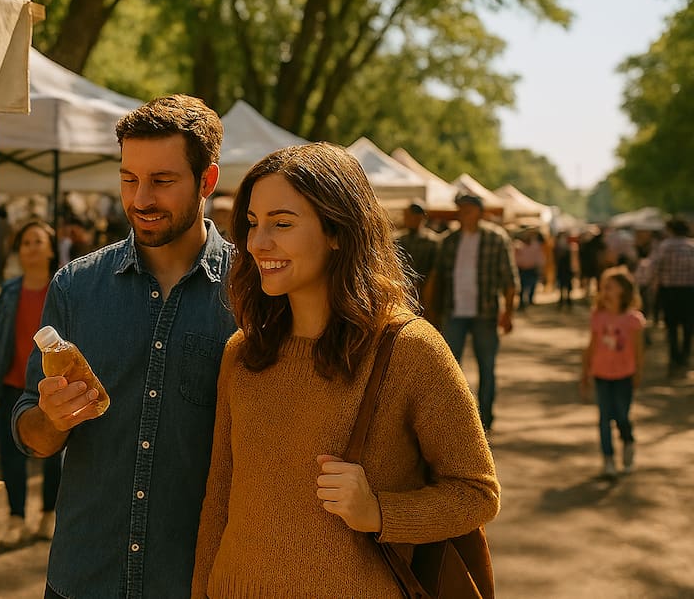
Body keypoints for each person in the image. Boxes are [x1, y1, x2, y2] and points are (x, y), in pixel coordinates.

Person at [192, 143, 498, 597]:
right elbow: (219, 497)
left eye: (282, 223)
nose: (258, 242)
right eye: (253, 224)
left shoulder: (410, 350)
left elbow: (477, 493)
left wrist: (379, 512)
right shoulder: (242, 352)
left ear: (337, 231)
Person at [12, 94, 236, 599]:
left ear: (207, 181)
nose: (140, 199)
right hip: (82, 576)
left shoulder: (254, 296)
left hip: (195, 582)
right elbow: (30, 432)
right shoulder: (75, 287)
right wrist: (50, 417)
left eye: (162, 181)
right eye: (129, 178)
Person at [0, 220, 63, 548]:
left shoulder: (63, 289)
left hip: (52, 386)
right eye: (25, 243)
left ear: (51, 249)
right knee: (11, 455)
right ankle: (16, 517)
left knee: (54, 453)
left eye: (38, 241)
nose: (32, 247)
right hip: (12, 384)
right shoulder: (8, 291)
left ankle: (49, 512)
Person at [433, 192, 519, 432]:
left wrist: (508, 312)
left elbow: (510, 279)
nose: (463, 214)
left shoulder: (496, 238)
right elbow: (438, 279)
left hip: (485, 312)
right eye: (460, 209)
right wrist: (435, 311)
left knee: (486, 367)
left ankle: (486, 419)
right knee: (448, 368)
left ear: (480, 212)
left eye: (468, 209)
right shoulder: (449, 241)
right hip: (454, 311)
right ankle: (454, 418)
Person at [581, 269, 645, 477]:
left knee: (621, 415)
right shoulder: (598, 317)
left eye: (610, 287)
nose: (604, 291)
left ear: (624, 291)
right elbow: (591, 346)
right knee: (604, 418)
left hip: (624, 375)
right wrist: (585, 371)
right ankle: (608, 459)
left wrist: (638, 373)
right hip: (601, 374)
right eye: (603, 287)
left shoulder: (632, 319)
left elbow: (638, 349)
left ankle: (628, 441)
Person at [652, 217, 694, 379]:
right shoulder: (692, 246)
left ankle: (674, 358)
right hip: (690, 292)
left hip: (669, 292)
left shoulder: (665, 246)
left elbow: (655, 267)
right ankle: (684, 357)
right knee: (688, 326)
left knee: (671, 327)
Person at [393, 201, 440, 317]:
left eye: (415, 216)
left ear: (422, 217)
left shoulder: (433, 242)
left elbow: (435, 270)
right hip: (403, 290)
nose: (411, 219)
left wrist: (428, 291)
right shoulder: (398, 240)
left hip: (426, 293)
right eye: (409, 216)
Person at [514, 230, 545, 309]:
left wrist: (540, 267)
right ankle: (521, 302)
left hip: (532, 268)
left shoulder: (535, 246)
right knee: (521, 286)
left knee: (532, 284)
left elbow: (539, 257)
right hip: (522, 269)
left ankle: (530, 300)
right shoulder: (518, 246)